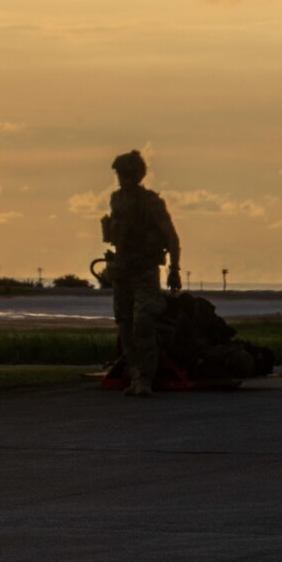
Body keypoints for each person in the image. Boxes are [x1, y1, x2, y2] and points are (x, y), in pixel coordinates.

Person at [101, 150, 181, 397]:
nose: (122, 178)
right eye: (119, 174)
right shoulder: (116, 200)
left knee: (143, 321)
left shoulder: (151, 202)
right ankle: (135, 375)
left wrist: (174, 269)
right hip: (122, 269)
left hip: (144, 269)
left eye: (126, 173)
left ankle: (145, 378)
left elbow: (171, 236)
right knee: (124, 323)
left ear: (137, 174)